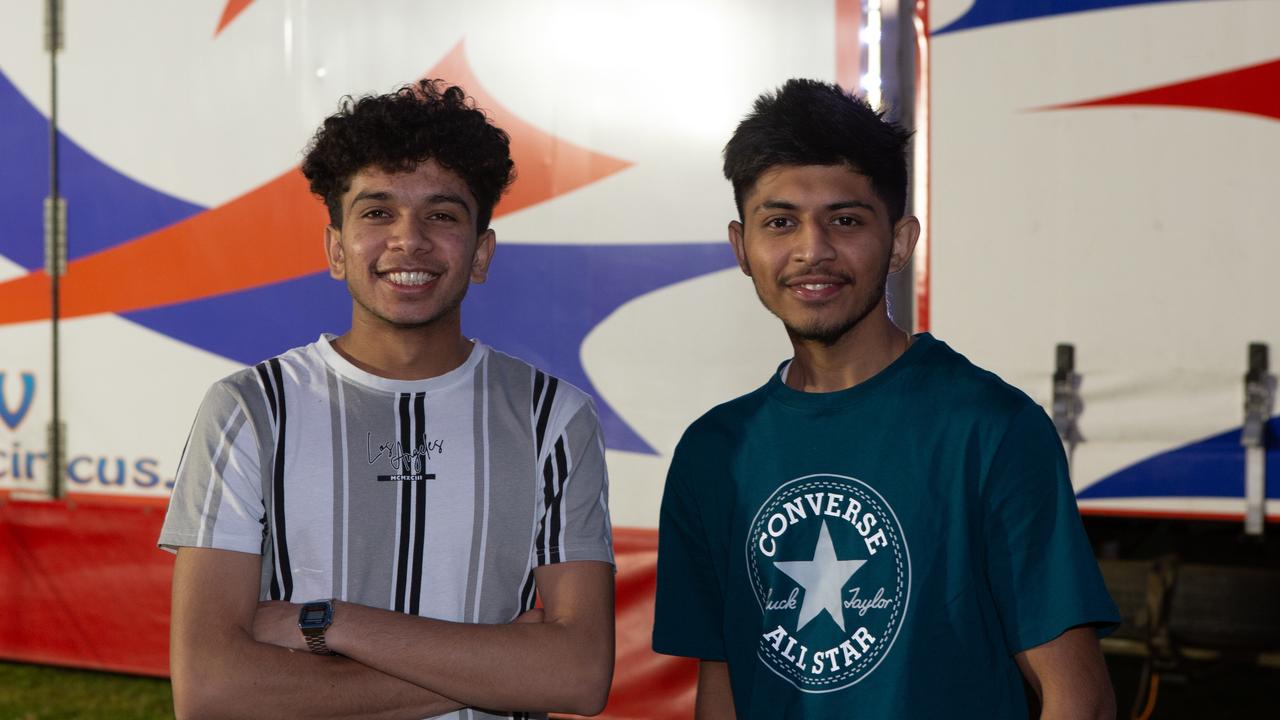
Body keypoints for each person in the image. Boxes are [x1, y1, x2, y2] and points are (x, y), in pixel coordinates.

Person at [651, 79, 1119, 719]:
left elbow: (1079, 700)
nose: (812, 250)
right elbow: (726, 686)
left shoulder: (990, 429)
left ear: (900, 242)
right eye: (780, 222)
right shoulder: (713, 452)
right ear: (742, 247)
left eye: (844, 220)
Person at [159, 80, 614, 720]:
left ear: (481, 252)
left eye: (442, 214)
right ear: (335, 249)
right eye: (377, 212)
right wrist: (512, 665)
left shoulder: (554, 419)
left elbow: (578, 677)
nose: (409, 240)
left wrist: (330, 623)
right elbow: (210, 689)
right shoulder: (248, 410)